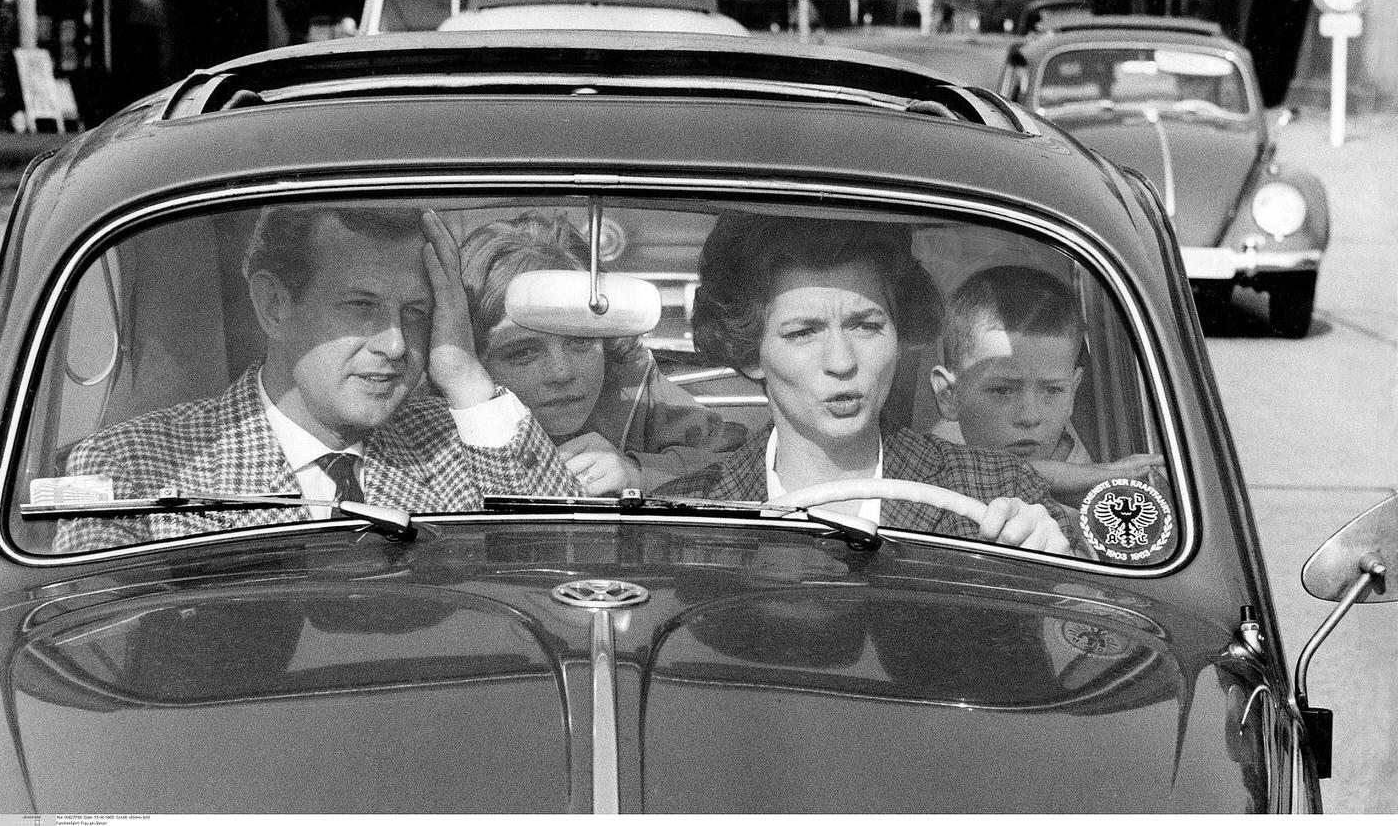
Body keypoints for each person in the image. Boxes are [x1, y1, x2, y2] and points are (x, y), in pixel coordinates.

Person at [53, 205, 580, 552]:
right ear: (275, 306)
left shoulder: (467, 442)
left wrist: (463, 373)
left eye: (417, 313)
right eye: (360, 307)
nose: (396, 344)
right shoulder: (133, 471)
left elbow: (566, 574)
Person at [656, 214, 1082, 556]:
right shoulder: (681, 517)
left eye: (866, 325)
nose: (842, 362)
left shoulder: (1000, 494)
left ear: (900, 332)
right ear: (751, 353)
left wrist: (1049, 560)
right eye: (803, 332)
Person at [456, 212, 748, 495]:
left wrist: (639, 473)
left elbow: (742, 469)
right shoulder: (433, 423)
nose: (562, 373)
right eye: (523, 352)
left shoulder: (630, 384)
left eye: (581, 342)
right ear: (472, 357)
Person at [928, 265, 1161, 505]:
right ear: (948, 395)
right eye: (1002, 391)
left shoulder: (1093, 486)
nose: (1029, 417)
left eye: (1052, 390)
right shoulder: (926, 466)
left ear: (1072, 392)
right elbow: (987, 474)